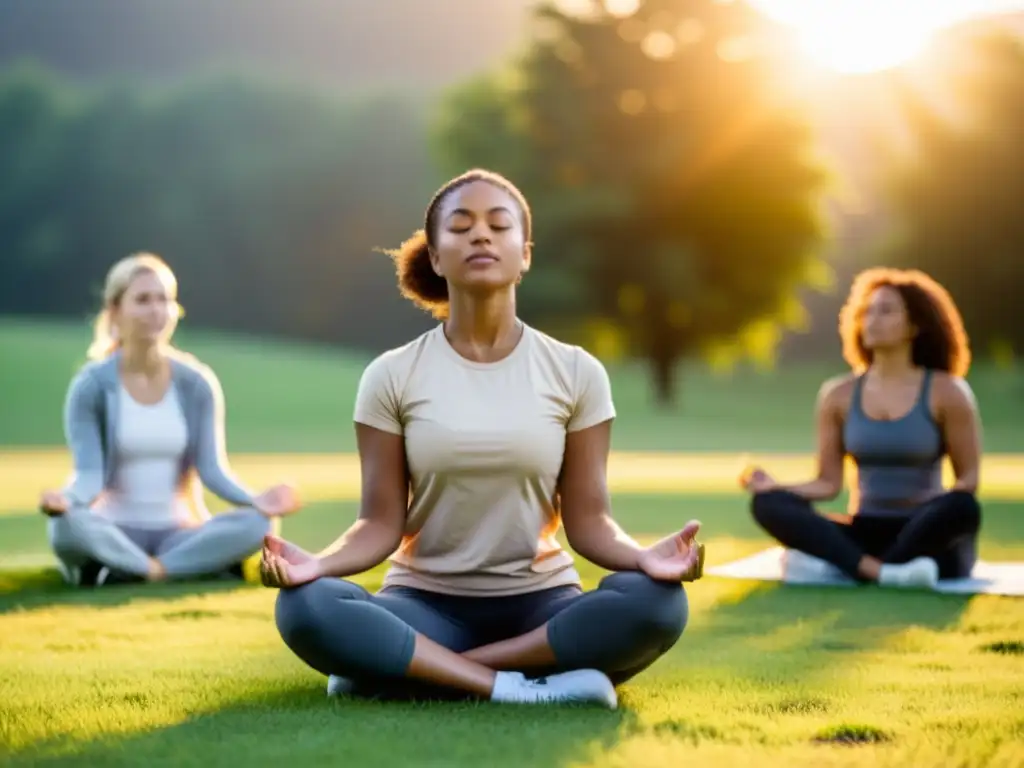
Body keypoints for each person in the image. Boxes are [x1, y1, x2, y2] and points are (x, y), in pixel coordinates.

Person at [262, 169, 704, 709]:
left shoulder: (576, 372)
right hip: (423, 607)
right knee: (305, 607)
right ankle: (512, 687)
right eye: (461, 226)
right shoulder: (392, 374)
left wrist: (642, 558)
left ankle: (407, 668)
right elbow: (379, 524)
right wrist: (317, 566)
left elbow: (589, 523)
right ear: (436, 257)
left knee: (658, 605)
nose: (481, 236)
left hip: (541, 609)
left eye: (500, 225)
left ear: (525, 254)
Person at [39, 253, 302, 587]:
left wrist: (256, 500)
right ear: (116, 310)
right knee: (64, 525)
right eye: (143, 300)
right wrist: (66, 500)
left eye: (164, 299)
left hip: (180, 533)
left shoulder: (196, 383)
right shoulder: (91, 386)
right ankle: (180, 567)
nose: (155, 310)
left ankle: (137, 570)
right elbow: (88, 475)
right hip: (113, 530)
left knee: (261, 524)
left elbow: (214, 470)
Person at [741, 267, 982, 589]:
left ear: (915, 325)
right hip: (865, 529)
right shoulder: (837, 395)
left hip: (923, 531)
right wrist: (776, 488)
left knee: (963, 507)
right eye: (867, 311)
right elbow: (827, 483)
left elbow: (968, 480)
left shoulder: (947, 391)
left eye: (886, 310)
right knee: (767, 504)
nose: (872, 319)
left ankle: (850, 566)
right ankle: (883, 572)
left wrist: (940, 509)